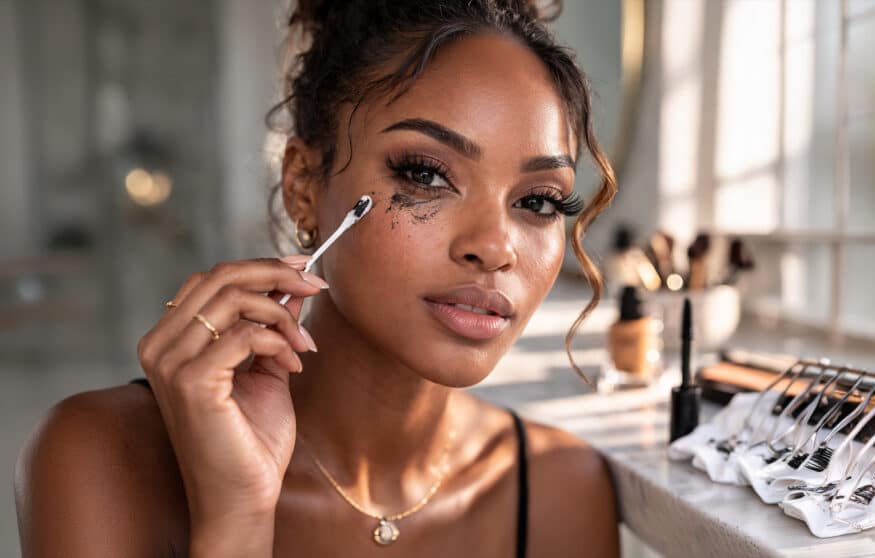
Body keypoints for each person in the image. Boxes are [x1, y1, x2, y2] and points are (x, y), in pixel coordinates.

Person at [15, 1, 620, 556]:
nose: (494, 248)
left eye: (538, 201)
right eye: (425, 174)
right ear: (304, 186)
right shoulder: (101, 456)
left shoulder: (562, 492)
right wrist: (237, 518)